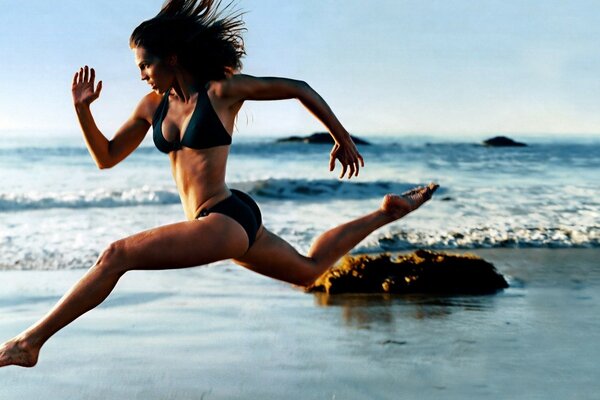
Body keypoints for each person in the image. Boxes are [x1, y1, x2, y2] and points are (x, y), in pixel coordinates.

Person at [0, 0, 438, 368]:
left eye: (146, 64)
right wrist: (82, 112)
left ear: (171, 58)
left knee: (115, 255)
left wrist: (341, 138)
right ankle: (386, 212)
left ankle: (29, 342)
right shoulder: (151, 105)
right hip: (230, 218)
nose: (142, 74)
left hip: (224, 218)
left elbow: (300, 88)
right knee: (308, 271)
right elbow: (107, 158)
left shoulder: (221, 91)